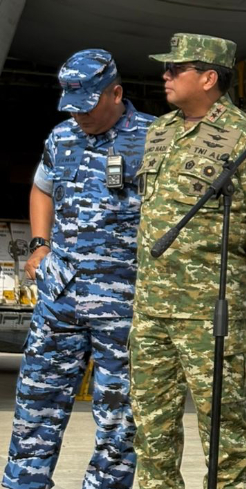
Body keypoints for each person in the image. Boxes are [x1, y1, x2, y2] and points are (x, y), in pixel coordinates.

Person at [130, 33, 246, 488]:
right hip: (151, 309)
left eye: (177, 69)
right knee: (150, 431)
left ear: (209, 77)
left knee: (223, 432)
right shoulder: (159, 131)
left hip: (208, 313)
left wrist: (229, 277)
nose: (166, 76)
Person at [3, 49, 154, 489]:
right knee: (36, 403)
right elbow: (41, 189)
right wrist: (39, 246)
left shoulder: (154, 138)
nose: (79, 115)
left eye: (87, 104)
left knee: (119, 416)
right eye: (72, 105)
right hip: (60, 295)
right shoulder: (62, 136)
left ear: (116, 93)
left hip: (123, 301)